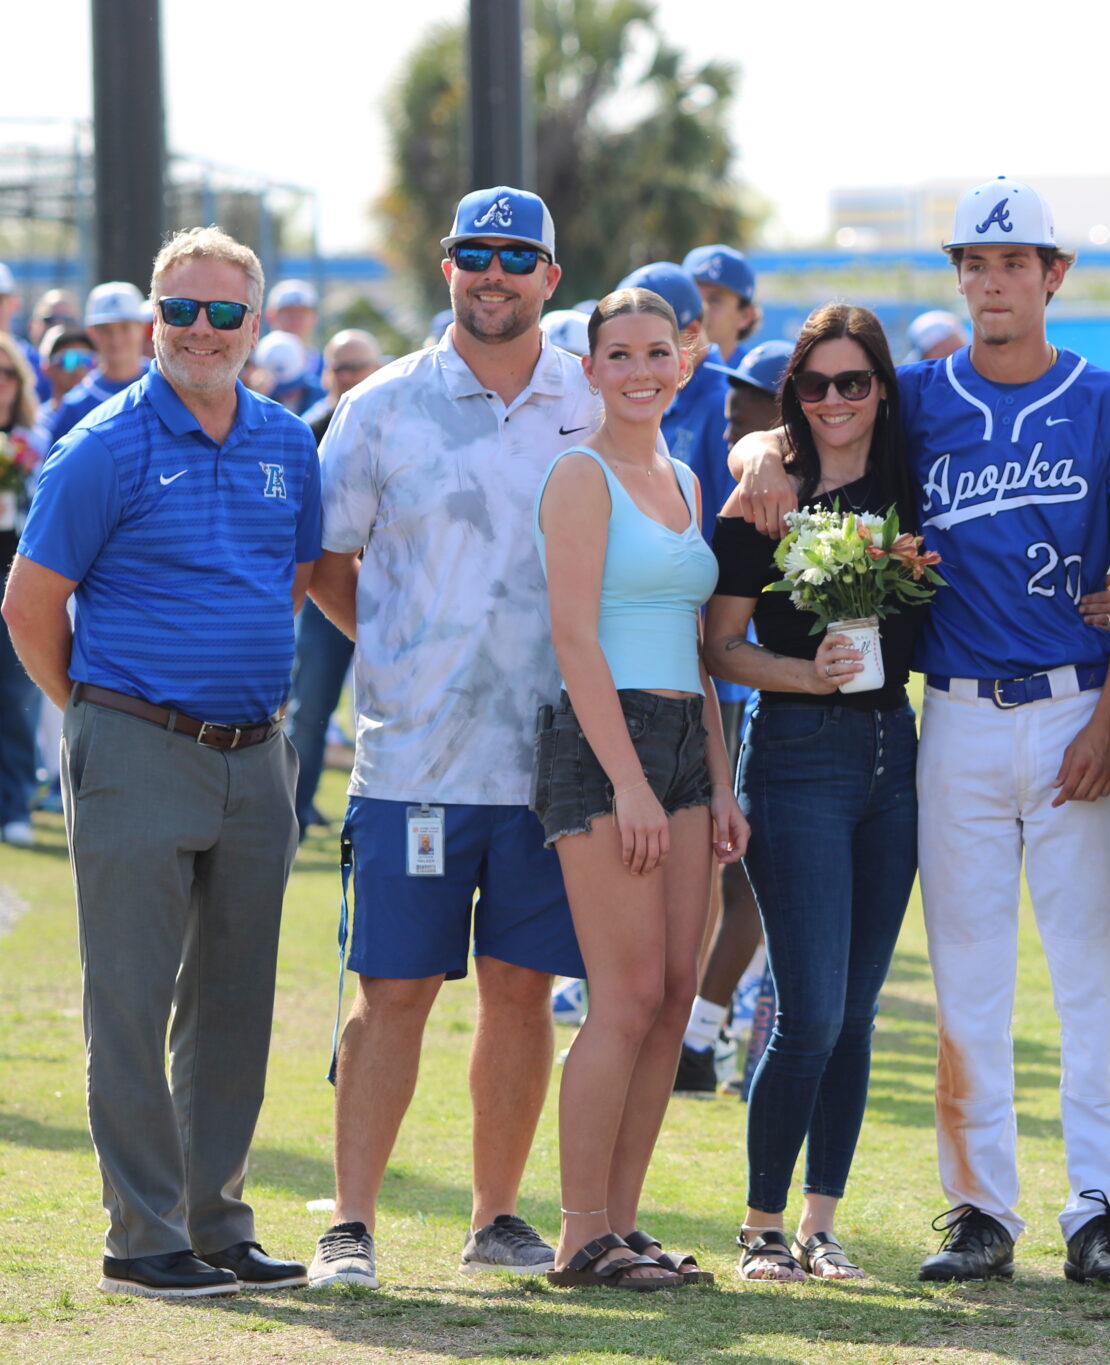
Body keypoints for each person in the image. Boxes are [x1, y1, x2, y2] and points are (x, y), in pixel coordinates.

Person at [733, 177, 1110, 1286]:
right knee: (968, 975)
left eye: (1013, 262)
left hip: (1073, 702)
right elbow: (799, 427)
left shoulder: (1107, 402)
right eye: (973, 263)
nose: (992, 281)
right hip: (955, 719)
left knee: (1086, 978)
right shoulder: (917, 397)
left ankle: (1100, 1210)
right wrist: (757, 459)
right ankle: (978, 1210)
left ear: (1053, 273)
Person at [2, 225, 320, 1298]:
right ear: (149, 316)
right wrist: (101, 722)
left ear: (255, 323)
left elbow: (286, 579)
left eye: (222, 311)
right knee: (131, 1004)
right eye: (178, 309)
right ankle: (143, 1239)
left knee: (234, 1003)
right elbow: (29, 605)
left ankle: (214, 1221)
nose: (198, 330)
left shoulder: (287, 443)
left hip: (255, 756)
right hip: (136, 747)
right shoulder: (102, 443)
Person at [306, 186, 592, 1290]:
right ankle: (353, 1226)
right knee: (393, 993)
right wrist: (399, 645)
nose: (495, 272)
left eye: (518, 256)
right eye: (476, 252)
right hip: (413, 759)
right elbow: (328, 563)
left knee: (521, 989)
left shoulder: (589, 399)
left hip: (546, 762)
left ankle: (496, 1217)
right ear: (447, 266)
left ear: (549, 278)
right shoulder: (379, 405)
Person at [703, 304, 922, 1282]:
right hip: (795, 754)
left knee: (859, 1014)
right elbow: (718, 643)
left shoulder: (907, 482)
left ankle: (819, 1227)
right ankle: (758, 1230)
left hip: (893, 754)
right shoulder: (765, 491)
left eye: (854, 382)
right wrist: (805, 676)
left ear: (881, 386)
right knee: (808, 1015)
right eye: (815, 385)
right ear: (793, 394)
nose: (835, 402)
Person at [532, 287, 743, 1290]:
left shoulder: (687, 480)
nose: (641, 370)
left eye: (657, 352)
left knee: (670, 999)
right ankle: (578, 1234)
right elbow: (574, 639)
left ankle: (621, 1224)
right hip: (602, 739)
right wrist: (628, 781)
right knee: (620, 997)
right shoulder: (579, 475)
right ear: (590, 371)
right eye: (618, 355)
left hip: (685, 749)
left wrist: (721, 781)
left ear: (685, 361)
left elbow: (700, 652)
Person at [672, 336, 795, 1097]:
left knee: (746, 876)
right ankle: (694, 1030)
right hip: (707, 690)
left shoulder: (775, 487)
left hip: (748, 701)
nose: (729, 407)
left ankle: (700, 1034)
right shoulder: (733, 464)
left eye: (747, 392)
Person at [283, 329, 386, 836]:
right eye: (339, 367)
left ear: (377, 368)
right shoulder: (308, 430)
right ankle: (294, 811)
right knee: (311, 709)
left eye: (357, 366)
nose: (347, 377)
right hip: (330, 587)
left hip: (390, 591)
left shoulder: (396, 421)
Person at [0, 334, 43, 846]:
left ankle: (15, 807)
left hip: (16, 586)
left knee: (14, 701)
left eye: (8, 374)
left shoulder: (34, 442)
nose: (1, 385)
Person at [43, 282, 153, 450]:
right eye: (106, 329)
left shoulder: (167, 385)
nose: (116, 339)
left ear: (141, 328)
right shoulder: (75, 405)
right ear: (91, 332)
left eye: (125, 327)